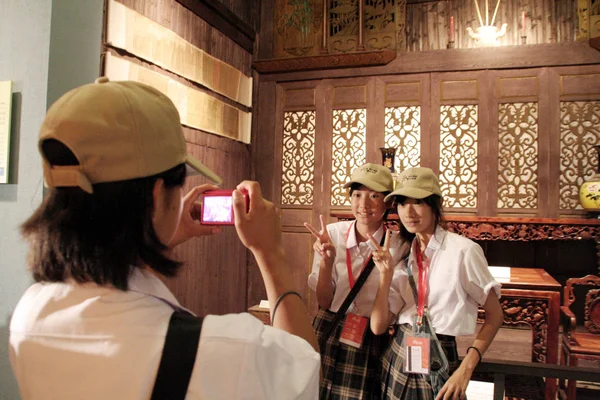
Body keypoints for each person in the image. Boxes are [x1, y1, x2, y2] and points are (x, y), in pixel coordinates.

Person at [9, 78, 320, 400]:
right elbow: (305, 368)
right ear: (158, 196)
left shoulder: (31, 311)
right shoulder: (224, 351)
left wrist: (158, 239)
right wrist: (270, 253)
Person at [368, 167, 503, 400]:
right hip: (399, 351)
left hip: (440, 352)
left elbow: (495, 314)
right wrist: (385, 275)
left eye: (418, 201)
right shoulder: (400, 250)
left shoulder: (463, 251)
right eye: (402, 203)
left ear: (435, 204)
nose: (408, 212)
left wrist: (466, 369)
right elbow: (378, 327)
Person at [304, 163, 408, 400]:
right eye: (357, 194)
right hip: (328, 327)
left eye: (374, 196)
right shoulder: (331, 234)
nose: (364, 204)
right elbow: (323, 301)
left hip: (368, 337)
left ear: (388, 203)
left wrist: (386, 273)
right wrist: (326, 263)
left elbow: (382, 323)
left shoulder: (399, 245)